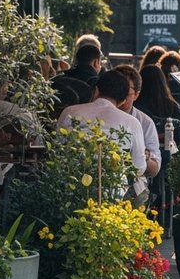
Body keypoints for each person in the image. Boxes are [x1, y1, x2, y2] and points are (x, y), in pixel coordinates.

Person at [58, 69, 148, 197]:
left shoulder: (70, 113)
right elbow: (139, 168)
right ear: (122, 101)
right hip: (113, 193)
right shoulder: (132, 123)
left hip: (71, 187)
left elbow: (57, 150)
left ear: (96, 91)